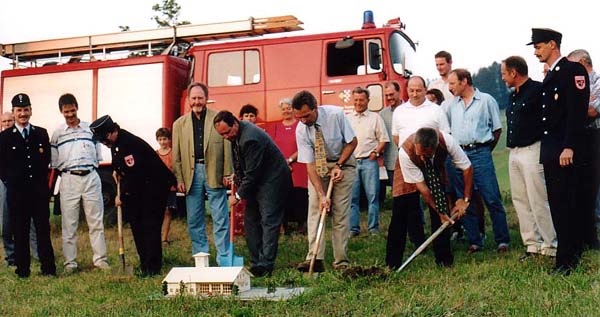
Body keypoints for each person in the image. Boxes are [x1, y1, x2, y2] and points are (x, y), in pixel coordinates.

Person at [528, 28, 590, 274]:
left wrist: (569, 146)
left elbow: (576, 113)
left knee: (566, 204)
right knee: (558, 204)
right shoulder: (552, 75)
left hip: (565, 150)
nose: (536, 52)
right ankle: (570, 252)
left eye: (538, 46)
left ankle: (567, 259)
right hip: (552, 149)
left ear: (552, 44)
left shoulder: (571, 71)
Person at [90, 115, 175, 276]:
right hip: (140, 188)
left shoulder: (129, 144)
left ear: (114, 130)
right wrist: (117, 170)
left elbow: (135, 176)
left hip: (155, 187)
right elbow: (120, 165)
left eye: (104, 138)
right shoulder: (115, 143)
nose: (103, 142)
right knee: (137, 225)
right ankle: (144, 264)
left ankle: (152, 268)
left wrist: (121, 197)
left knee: (149, 226)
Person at [214, 111, 292, 277]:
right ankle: (256, 261)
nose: (225, 137)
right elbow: (241, 161)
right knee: (251, 220)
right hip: (257, 179)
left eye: (227, 132)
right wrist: (237, 175)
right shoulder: (234, 135)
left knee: (269, 220)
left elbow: (253, 173)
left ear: (235, 123)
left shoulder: (250, 138)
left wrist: (238, 196)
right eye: (222, 135)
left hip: (273, 179)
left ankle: (265, 265)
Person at [386, 76, 450, 268]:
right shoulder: (399, 111)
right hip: (407, 160)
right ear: (407, 90)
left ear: (425, 89)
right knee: (400, 212)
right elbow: (396, 137)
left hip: (432, 160)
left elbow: (445, 135)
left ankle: (444, 258)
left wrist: (428, 157)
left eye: (419, 90)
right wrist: (412, 154)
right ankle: (393, 262)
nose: (414, 94)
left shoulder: (436, 110)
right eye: (411, 90)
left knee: (438, 206)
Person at [446, 68, 510, 253]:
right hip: (459, 156)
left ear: (464, 81)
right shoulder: (452, 105)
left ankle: (502, 240)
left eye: (452, 83)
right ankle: (475, 241)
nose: (450, 88)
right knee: (464, 199)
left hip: (480, 153)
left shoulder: (487, 101)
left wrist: (484, 151)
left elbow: (497, 130)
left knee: (491, 198)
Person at [293, 90, 357, 272]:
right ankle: (314, 257)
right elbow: (309, 164)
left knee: (339, 212)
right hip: (319, 167)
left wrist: (338, 165)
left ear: (316, 108)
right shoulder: (301, 129)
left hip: (343, 163)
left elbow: (352, 142)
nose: (303, 120)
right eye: (299, 117)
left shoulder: (336, 115)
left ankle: (341, 261)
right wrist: (321, 195)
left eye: (306, 115)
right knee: (315, 210)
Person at [501, 56, 557, 260]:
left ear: (514, 73)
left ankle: (550, 245)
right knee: (520, 200)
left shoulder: (538, 90)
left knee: (538, 199)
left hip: (533, 149)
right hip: (514, 151)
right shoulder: (513, 95)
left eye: (504, 73)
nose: (503, 77)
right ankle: (532, 245)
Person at [172, 82, 232, 265]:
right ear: (189, 100)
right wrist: (179, 178)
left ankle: (224, 258)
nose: (197, 101)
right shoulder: (179, 124)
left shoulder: (218, 119)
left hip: (214, 170)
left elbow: (227, 145)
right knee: (194, 219)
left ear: (206, 99)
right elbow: (177, 155)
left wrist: (228, 172)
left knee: (220, 216)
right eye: (194, 98)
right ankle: (201, 258)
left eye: (200, 98)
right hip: (191, 175)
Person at [50, 93, 109, 274]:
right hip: (69, 179)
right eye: (66, 111)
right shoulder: (57, 134)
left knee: (96, 221)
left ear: (77, 108)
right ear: (61, 111)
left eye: (72, 110)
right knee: (69, 223)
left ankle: (100, 260)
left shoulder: (90, 129)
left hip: (91, 177)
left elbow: (98, 156)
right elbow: (54, 162)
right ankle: (70, 263)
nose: (70, 114)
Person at [398, 128, 473, 267]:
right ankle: (394, 262)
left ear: (433, 149)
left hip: (437, 171)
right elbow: (423, 188)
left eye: (424, 154)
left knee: (442, 212)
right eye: (418, 153)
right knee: (404, 210)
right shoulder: (405, 152)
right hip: (413, 174)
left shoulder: (447, 141)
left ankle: (444, 260)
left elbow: (467, 168)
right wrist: (440, 212)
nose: (421, 157)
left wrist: (465, 200)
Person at [0, 93, 56, 278]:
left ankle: (48, 269)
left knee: (42, 231)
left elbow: (46, 160)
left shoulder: (41, 133)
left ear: (31, 111)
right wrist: (12, 182)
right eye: (19, 110)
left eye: (26, 110)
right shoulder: (5, 137)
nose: (23, 114)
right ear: (14, 112)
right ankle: (23, 270)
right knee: (20, 232)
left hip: (38, 193)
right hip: (17, 194)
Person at [567, 49, 600, 249]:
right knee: (583, 186)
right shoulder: (577, 84)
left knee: (595, 186)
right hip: (580, 138)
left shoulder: (597, 82)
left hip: (596, 136)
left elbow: (593, 110)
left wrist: (572, 107)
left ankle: (593, 233)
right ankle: (586, 233)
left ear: (581, 62)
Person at [347, 87, 389, 236]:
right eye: (356, 100)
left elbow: (383, 139)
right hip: (352, 163)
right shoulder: (347, 118)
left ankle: (373, 229)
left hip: (369, 162)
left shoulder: (375, 118)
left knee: (372, 196)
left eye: (361, 100)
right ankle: (353, 229)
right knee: (353, 198)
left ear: (368, 101)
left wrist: (375, 153)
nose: (358, 103)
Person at [0, 111, 39, 267]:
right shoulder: (2, 140)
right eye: (4, 121)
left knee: (31, 222)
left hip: (25, 185)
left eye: (10, 120)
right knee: (7, 221)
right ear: (1, 124)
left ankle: (36, 253)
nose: (8, 123)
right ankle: (11, 256)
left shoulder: (25, 135)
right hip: (6, 184)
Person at [267, 98, 308, 234]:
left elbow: (304, 145)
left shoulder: (300, 126)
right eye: (283, 108)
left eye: (289, 108)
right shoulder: (275, 127)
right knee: (281, 195)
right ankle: (284, 225)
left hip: (299, 165)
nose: (286, 111)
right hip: (279, 166)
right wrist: (281, 162)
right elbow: (271, 146)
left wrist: (289, 160)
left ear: (293, 109)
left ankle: (302, 224)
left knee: (299, 195)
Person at [155, 127, 177, 245]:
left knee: (168, 211)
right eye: (160, 139)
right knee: (158, 211)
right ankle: (156, 237)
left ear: (169, 140)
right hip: (158, 187)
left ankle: (164, 238)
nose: (163, 142)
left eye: (165, 139)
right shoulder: (155, 154)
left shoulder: (173, 154)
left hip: (170, 187)